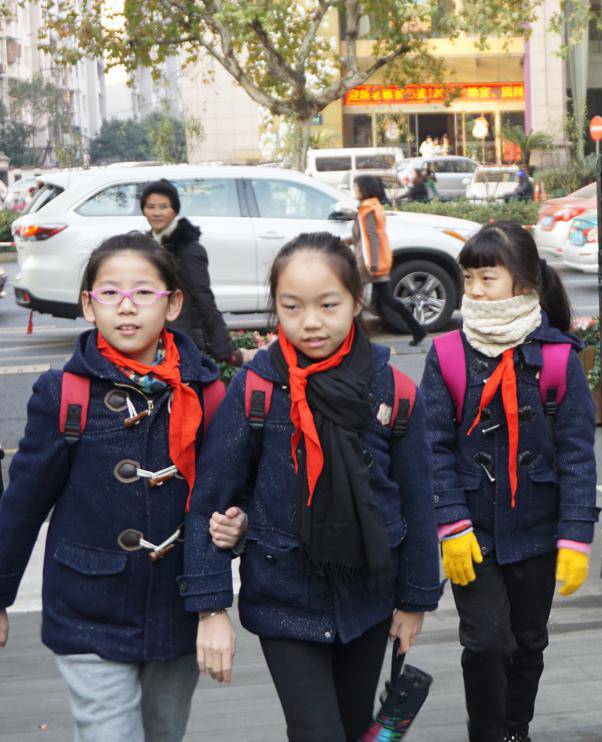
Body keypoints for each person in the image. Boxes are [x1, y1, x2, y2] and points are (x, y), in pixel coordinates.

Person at [182, 233, 441, 741]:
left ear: (356, 301)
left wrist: (415, 602)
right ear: (276, 305)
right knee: (316, 731)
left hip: (368, 597)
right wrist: (211, 608)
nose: (311, 322)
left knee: (353, 727)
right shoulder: (257, 388)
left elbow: (416, 501)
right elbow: (210, 502)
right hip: (284, 597)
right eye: (292, 307)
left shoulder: (393, 390)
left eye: (328, 304)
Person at [0, 234, 245, 741]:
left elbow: (222, 503)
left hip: (178, 608)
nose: (126, 307)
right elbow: (22, 504)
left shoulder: (209, 392)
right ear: (88, 305)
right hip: (89, 606)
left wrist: (220, 583)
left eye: (143, 292)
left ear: (174, 302)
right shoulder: (63, 393)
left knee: (163, 732)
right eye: (109, 293)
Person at [422, 221, 597, 742]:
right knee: (485, 644)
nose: (473, 290)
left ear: (523, 282)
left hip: (539, 533)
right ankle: (488, 733)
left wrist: (575, 538)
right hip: (472, 533)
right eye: (468, 277)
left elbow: (577, 455)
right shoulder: (449, 354)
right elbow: (432, 446)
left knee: (527, 642)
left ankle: (514, 730)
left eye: (486, 278)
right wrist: (451, 523)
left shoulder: (559, 358)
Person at [140, 180, 246, 366]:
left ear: (175, 210)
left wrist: (222, 347)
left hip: (184, 337)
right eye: (151, 207)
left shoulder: (188, 249)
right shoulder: (145, 246)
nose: (156, 212)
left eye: (164, 206)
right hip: (153, 334)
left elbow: (203, 296)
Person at [349, 174, 427, 345]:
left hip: (369, 262)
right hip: (374, 261)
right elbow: (363, 236)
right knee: (384, 300)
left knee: (355, 299)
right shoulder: (371, 207)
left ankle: (356, 339)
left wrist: (374, 263)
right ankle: (417, 329)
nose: (354, 190)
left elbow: (372, 237)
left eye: (356, 187)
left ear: (364, 190)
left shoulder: (367, 210)